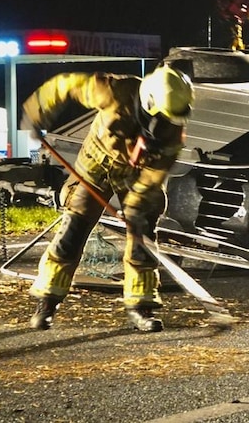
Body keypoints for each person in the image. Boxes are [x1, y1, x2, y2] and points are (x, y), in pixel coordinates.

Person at [20, 64, 193, 332]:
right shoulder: (112, 90)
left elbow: (157, 172)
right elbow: (64, 86)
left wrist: (137, 203)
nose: (164, 125)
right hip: (94, 167)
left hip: (135, 175)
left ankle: (140, 307)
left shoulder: (172, 127)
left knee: (142, 237)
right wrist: (36, 114)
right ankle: (47, 301)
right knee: (73, 230)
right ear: (148, 102)